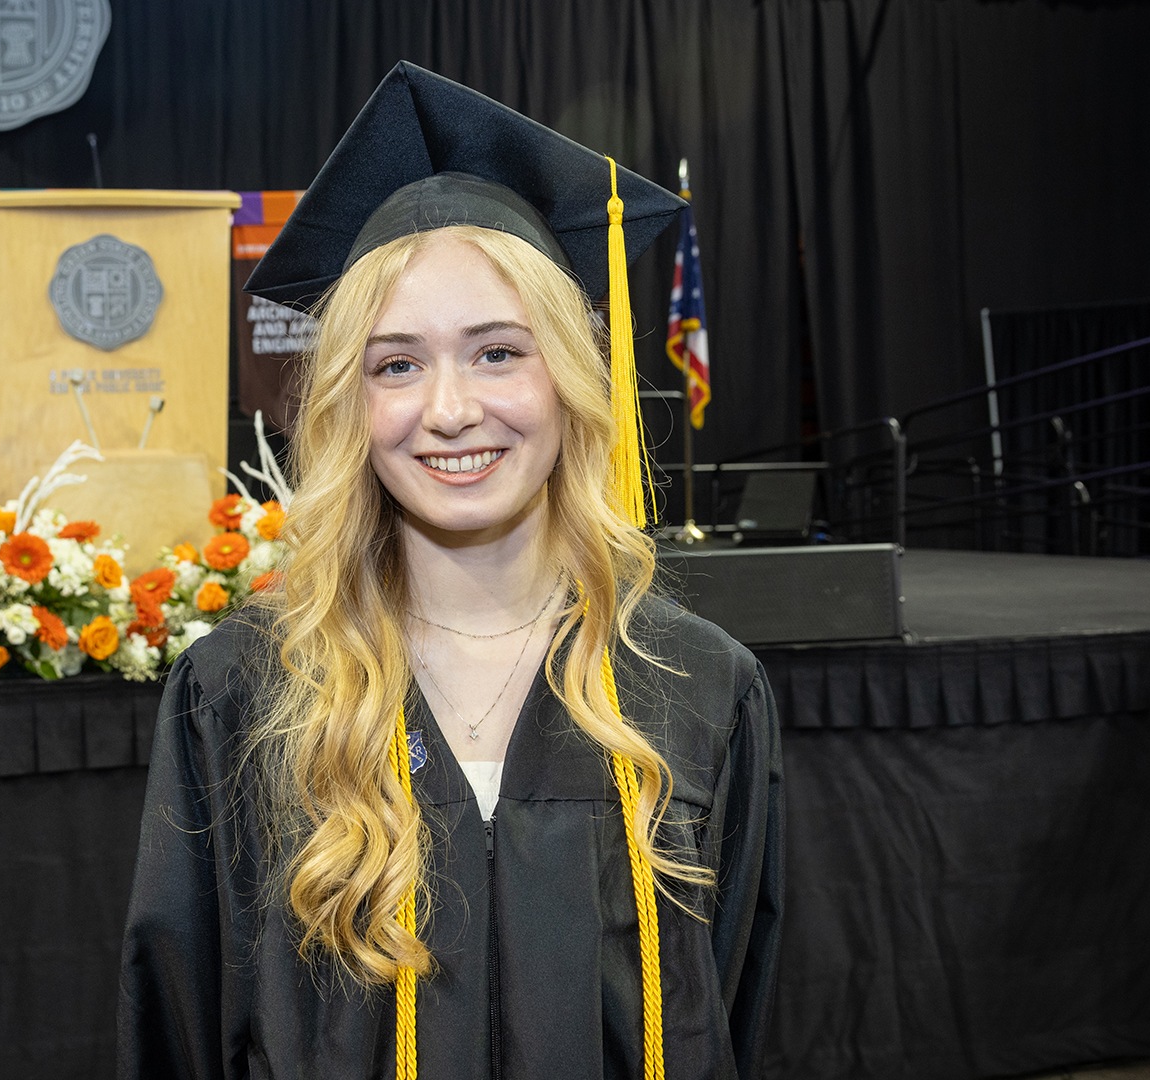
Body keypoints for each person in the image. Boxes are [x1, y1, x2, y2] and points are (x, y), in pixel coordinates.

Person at [118, 62, 782, 1080]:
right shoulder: (243, 693)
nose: (450, 409)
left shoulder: (697, 688)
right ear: (350, 404)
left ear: (570, 375)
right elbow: (179, 1033)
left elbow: (747, 1013)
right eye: (396, 364)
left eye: (497, 352)